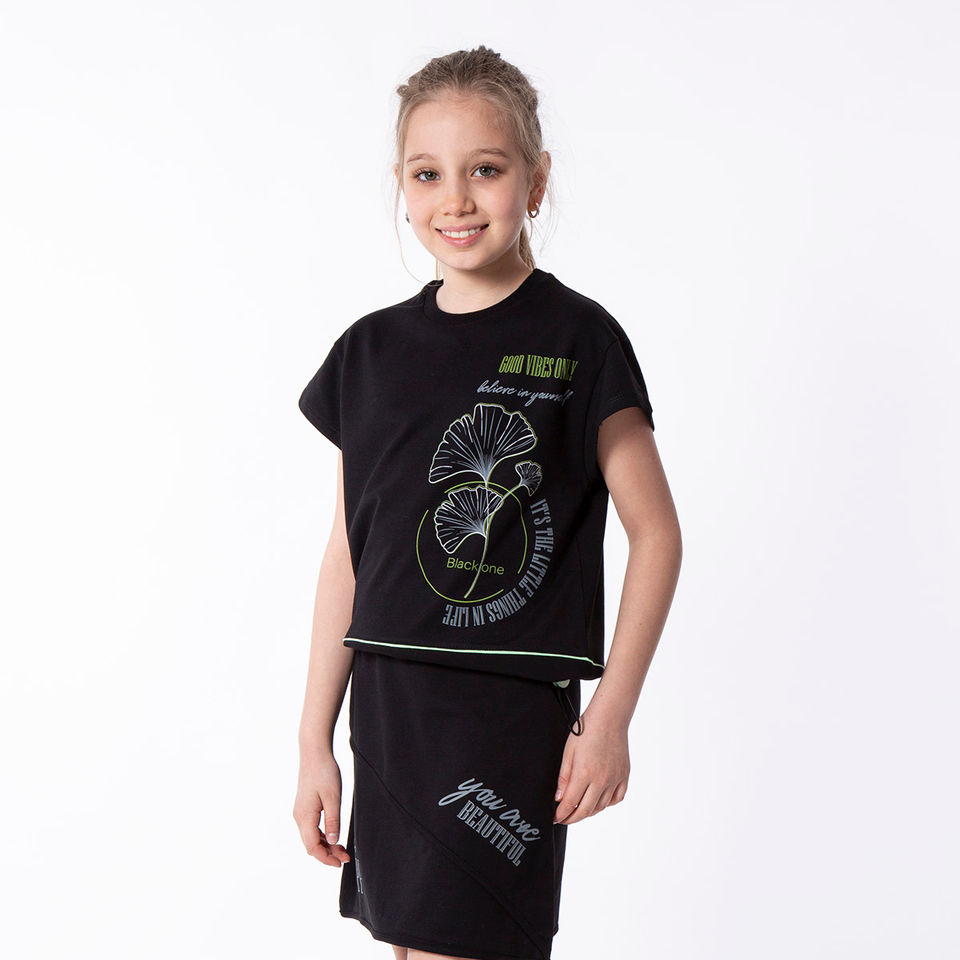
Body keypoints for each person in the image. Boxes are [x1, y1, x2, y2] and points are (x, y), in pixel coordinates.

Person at [293, 44, 682, 960]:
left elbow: (657, 534)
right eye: (428, 173)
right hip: (389, 709)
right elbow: (350, 554)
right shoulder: (369, 354)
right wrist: (314, 741)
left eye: (487, 170)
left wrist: (610, 716)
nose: (457, 199)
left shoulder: (579, 339)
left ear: (535, 181)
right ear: (402, 186)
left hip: (503, 714)